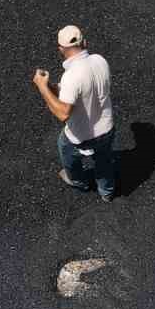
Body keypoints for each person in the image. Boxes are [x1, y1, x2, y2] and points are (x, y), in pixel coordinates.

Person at [32, 25, 117, 202]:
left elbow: (63, 113)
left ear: (61, 49)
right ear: (84, 42)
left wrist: (42, 87)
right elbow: (78, 92)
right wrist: (51, 87)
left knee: (67, 151)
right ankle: (107, 192)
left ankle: (79, 182)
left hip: (82, 135)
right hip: (107, 128)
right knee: (104, 162)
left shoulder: (71, 76)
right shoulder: (99, 60)